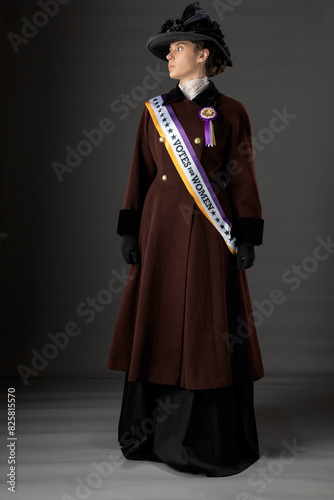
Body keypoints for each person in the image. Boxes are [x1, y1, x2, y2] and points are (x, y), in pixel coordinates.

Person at [107, 1, 265, 477]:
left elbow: (244, 179)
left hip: (209, 235)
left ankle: (202, 438)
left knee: (204, 327)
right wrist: (131, 228)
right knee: (158, 319)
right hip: (160, 232)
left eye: (178, 49)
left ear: (203, 54)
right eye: (168, 50)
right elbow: (139, 172)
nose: (169, 58)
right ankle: (150, 434)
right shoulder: (154, 112)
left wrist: (248, 233)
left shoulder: (232, 111)